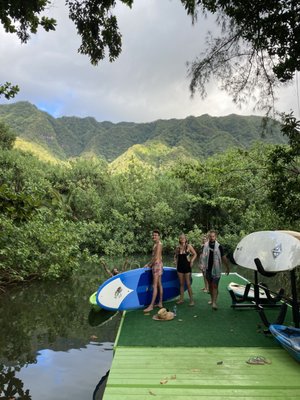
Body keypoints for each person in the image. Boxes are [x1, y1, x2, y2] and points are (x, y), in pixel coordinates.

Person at [201, 230, 230, 310]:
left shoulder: (219, 246)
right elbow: (203, 257)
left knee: (214, 286)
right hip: (207, 269)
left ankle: (214, 302)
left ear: (215, 237)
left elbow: (223, 258)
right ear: (208, 237)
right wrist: (202, 266)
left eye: (213, 236)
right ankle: (212, 299)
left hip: (216, 270)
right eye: (210, 236)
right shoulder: (205, 246)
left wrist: (227, 267)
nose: (212, 238)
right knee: (210, 286)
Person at [174, 233, 197, 306]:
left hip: (187, 266)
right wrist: (175, 262)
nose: (182, 239)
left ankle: (192, 300)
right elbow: (175, 256)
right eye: (181, 238)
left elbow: (195, 254)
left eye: (183, 238)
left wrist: (192, 261)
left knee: (188, 284)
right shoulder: (178, 247)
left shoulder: (188, 246)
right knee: (181, 284)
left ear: (186, 239)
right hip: (180, 267)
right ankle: (181, 299)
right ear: (179, 239)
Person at [143, 229, 163, 313]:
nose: (154, 236)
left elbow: (155, 257)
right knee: (159, 284)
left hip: (156, 266)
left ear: (159, 236)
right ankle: (160, 303)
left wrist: (149, 265)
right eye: (153, 235)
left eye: (155, 235)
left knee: (155, 285)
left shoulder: (158, 244)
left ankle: (151, 306)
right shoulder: (156, 244)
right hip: (158, 265)